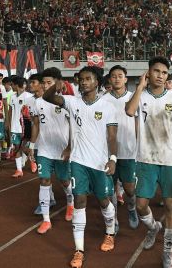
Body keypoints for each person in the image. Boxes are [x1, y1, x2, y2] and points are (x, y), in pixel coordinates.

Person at [42, 66, 118, 268]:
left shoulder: (108, 106)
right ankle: (79, 250)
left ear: (97, 82)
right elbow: (49, 98)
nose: (83, 82)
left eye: (88, 79)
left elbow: (112, 137)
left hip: (100, 162)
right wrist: (55, 87)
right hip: (78, 162)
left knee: (104, 202)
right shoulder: (72, 102)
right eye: (81, 79)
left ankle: (110, 233)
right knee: (79, 200)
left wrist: (112, 159)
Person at [125, 56, 172, 268]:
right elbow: (129, 111)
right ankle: (153, 227)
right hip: (145, 159)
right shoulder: (141, 96)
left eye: (164, 73)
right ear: (148, 73)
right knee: (141, 204)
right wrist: (139, 87)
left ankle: (167, 252)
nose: (161, 76)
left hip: (169, 160)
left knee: (171, 205)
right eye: (156, 72)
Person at [30, 68, 74, 233]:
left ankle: (70, 204)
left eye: (49, 83)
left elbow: (73, 127)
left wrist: (70, 147)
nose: (46, 86)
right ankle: (46, 220)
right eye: (44, 83)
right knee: (44, 181)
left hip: (62, 149)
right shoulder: (38, 102)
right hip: (44, 150)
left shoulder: (66, 101)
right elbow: (36, 125)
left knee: (65, 181)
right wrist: (32, 145)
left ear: (58, 83)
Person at [102, 65, 139, 231]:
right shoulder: (103, 100)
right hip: (109, 153)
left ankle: (131, 209)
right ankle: (114, 219)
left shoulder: (134, 98)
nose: (117, 78)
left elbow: (138, 124)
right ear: (110, 80)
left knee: (130, 189)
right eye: (113, 76)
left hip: (129, 151)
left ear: (126, 79)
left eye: (120, 75)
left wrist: (139, 146)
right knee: (110, 189)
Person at [6, 76, 35, 177]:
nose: (11, 86)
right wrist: (7, 123)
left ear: (16, 85)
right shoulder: (13, 97)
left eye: (12, 84)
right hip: (14, 127)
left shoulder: (29, 97)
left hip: (25, 127)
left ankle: (32, 160)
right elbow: (10, 111)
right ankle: (19, 170)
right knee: (16, 148)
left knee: (23, 148)